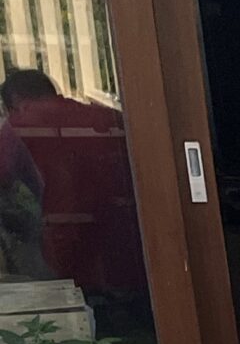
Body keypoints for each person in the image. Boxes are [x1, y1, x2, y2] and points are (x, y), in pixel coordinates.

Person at [0, 69, 145, 295]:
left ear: (14, 103)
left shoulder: (18, 126)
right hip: (133, 244)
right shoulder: (108, 117)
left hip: (68, 250)